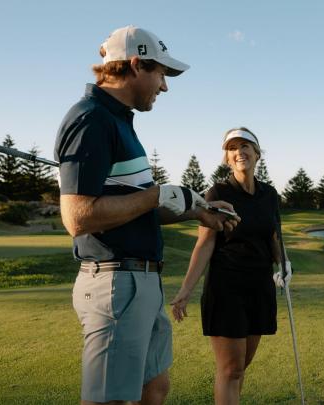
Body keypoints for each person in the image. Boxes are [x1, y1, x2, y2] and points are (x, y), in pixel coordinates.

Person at [54, 25, 239, 405]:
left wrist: (196, 211)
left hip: (142, 282)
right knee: (113, 399)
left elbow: (132, 210)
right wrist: (157, 195)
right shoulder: (91, 119)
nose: (165, 87)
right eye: (161, 74)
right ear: (136, 64)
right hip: (115, 284)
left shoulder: (120, 122)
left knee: (154, 390)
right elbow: (78, 217)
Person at [171, 127, 292, 405]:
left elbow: (274, 235)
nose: (239, 152)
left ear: (257, 153)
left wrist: (283, 262)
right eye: (233, 148)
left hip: (260, 287)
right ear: (227, 158)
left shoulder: (270, 194)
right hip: (227, 288)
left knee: (240, 369)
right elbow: (205, 244)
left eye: (245, 146)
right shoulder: (218, 192)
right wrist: (186, 290)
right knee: (230, 369)